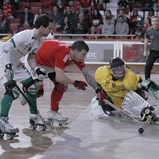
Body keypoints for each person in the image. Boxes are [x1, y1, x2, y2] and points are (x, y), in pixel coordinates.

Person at [0, 14, 53, 137]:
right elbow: (4, 48)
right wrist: (8, 66)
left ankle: (34, 116)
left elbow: (31, 57)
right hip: (3, 60)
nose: (51, 30)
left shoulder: (40, 40)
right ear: (41, 27)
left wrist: (37, 68)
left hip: (16, 62)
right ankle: (2, 121)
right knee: (12, 90)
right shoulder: (25, 35)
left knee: (33, 87)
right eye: (49, 28)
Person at [31, 40, 106, 123]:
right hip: (34, 62)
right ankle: (33, 112)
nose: (84, 57)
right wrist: (75, 82)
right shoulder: (63, 53)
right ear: (76, 51)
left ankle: (53, 112)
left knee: (61, 86)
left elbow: (86, 74)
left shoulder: (75, 56)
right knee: (38, 91)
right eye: (83, 54)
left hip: (50, 64)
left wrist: (98, 90)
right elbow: (60, 77)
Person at [93, 57, 159, 123]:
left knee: (134, 94)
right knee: (99, 102)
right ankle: (110, 112)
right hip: (114, 100)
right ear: (111, 70)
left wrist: (151, 87)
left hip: (129, 99)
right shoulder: (102, 74)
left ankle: (143, 111)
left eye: (122, 68)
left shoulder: (130, 77)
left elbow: (144, 85)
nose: (120, 71)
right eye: (116, 69)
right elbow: (98, 83)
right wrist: (99, 91)